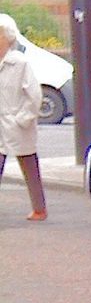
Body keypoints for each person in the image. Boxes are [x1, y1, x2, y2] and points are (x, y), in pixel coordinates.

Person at [0, 13, 48, 221]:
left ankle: (40, 208)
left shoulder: (19, 63)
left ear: (7, 37)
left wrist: (24, 118)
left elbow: (35, 95)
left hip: (18, 124)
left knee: (29, 166)